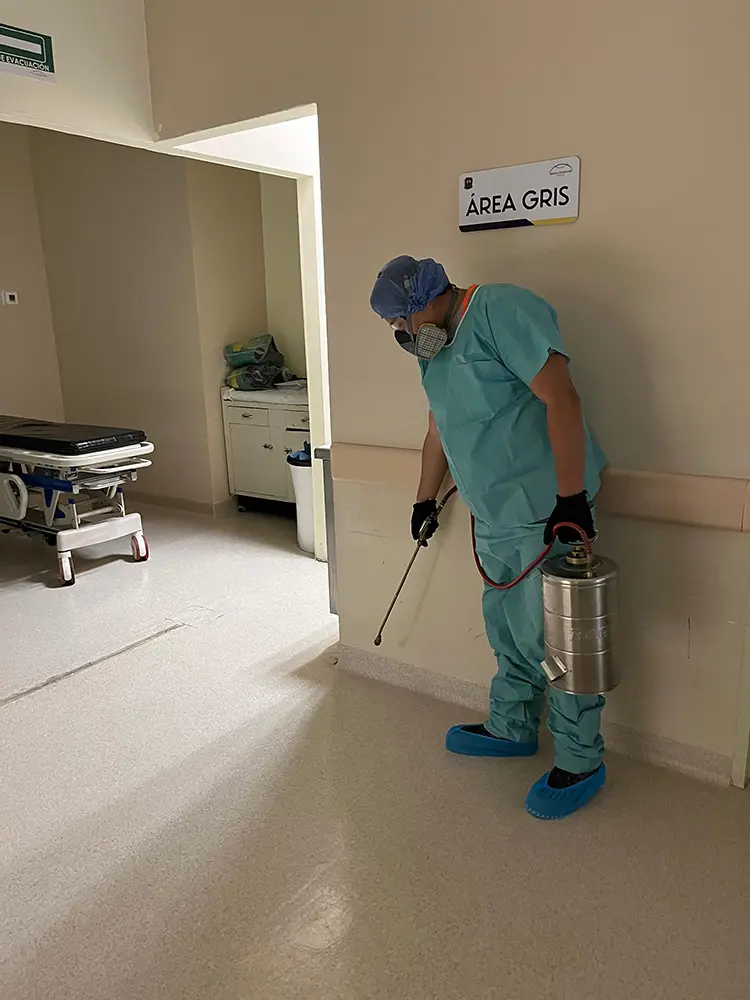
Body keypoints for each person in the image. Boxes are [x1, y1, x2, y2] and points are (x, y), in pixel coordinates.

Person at [370, 255, 608, 820]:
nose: (402, 332)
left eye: (404, 318)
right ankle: (512, 727)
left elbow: (562, 399)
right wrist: (423, 499)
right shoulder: (432, 350)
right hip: (494, 516)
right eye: (394, 325)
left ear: (429, 296)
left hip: (547, 512)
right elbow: (438, 429)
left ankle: (581, 759)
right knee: (507, 628)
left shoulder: (500, 309)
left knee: (560, 639)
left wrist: (571, 498)